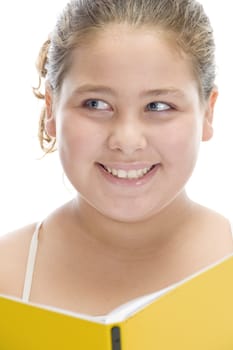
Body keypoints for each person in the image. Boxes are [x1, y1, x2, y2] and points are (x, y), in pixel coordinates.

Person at [0, 0, 232, 318]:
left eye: (158, 106)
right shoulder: (6, 277)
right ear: (51, 107)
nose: (126, 140)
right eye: (95, 103)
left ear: (208, 112)